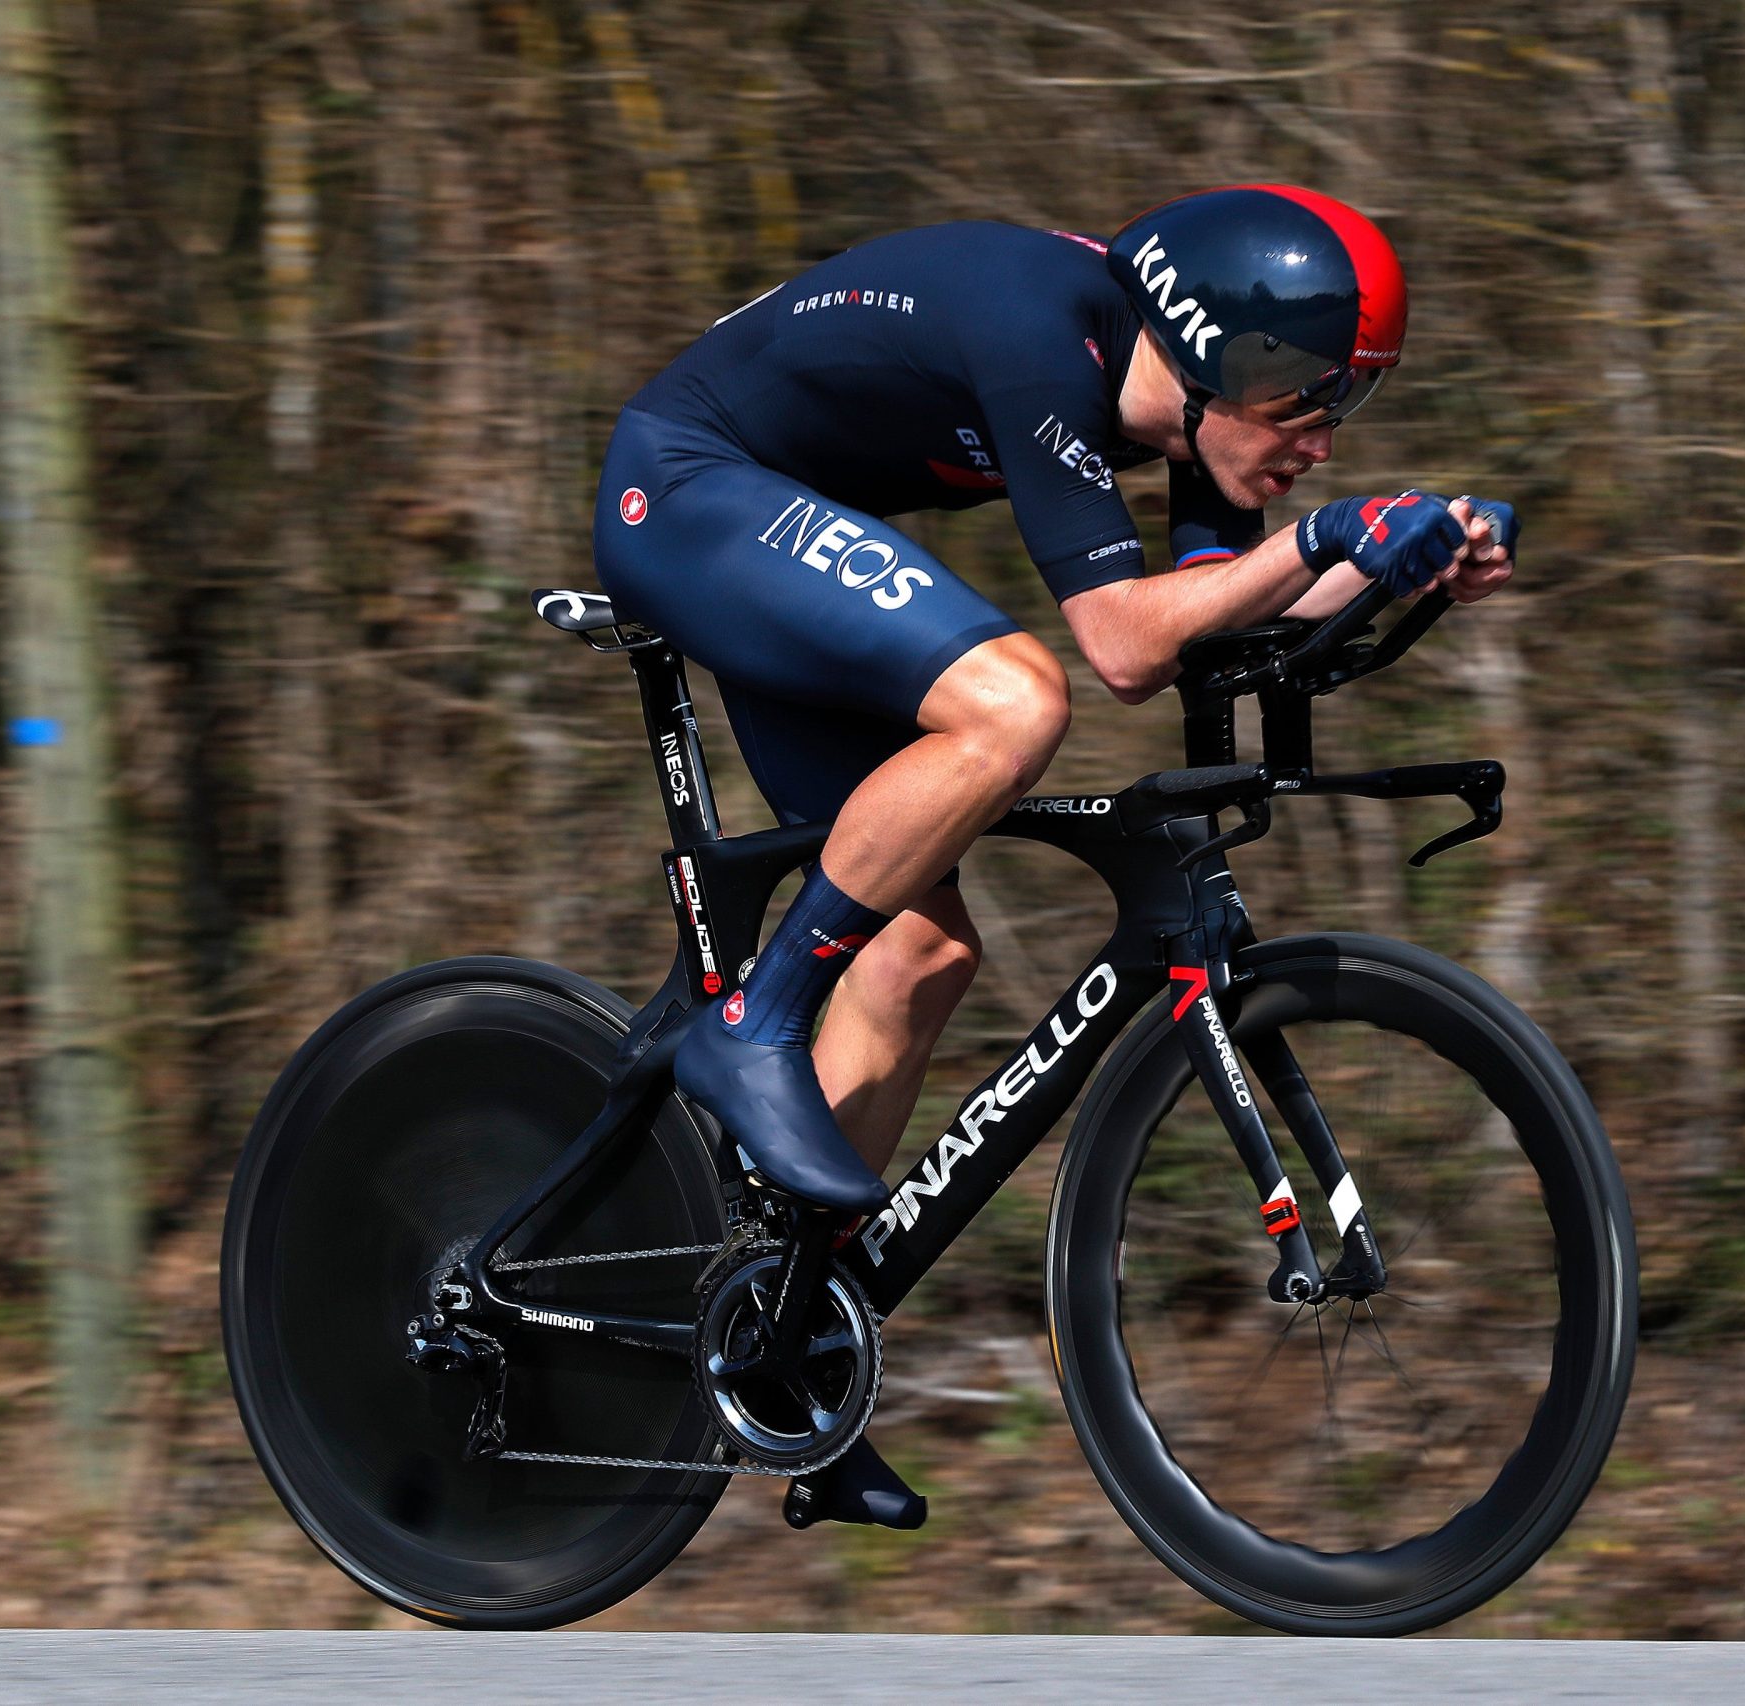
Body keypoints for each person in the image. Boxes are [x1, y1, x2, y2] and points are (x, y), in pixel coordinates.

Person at [592, 185, 1516, 1527]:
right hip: (686, 487)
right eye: (1313, 399)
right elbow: (1129, 646)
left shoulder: (1195, 419)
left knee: (918, 948)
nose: (1323, 439)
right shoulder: (1046, 333)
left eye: (1349, 410)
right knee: (1020, 700)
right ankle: (758, 1025)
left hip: (777, 517)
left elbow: (1223, 620)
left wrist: (1406, 558)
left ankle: (783, 1352)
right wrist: (1326, 535)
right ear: (1218, 351)